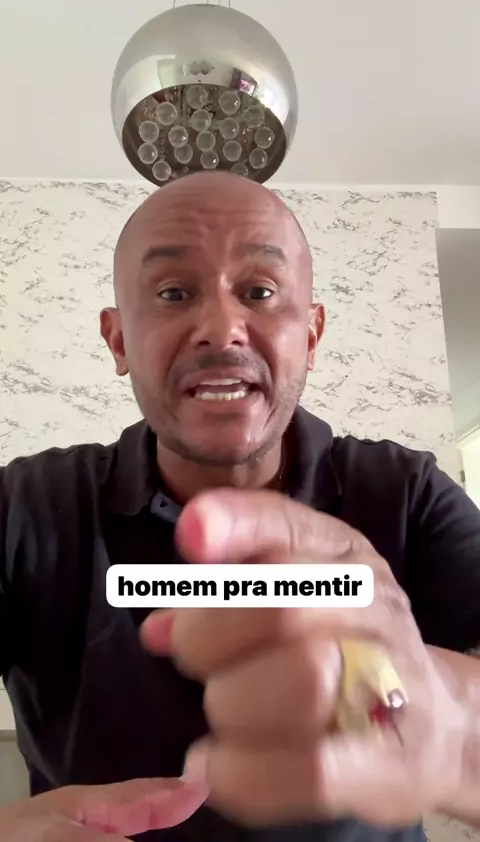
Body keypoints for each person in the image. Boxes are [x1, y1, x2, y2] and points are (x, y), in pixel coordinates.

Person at [0, 170, 480, 842]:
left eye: (259, 292)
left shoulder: (406, 491)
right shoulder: (25, 506)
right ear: (119, 340)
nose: (223, 329)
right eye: (173, 293)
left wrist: (450, 727)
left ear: (310, 335)